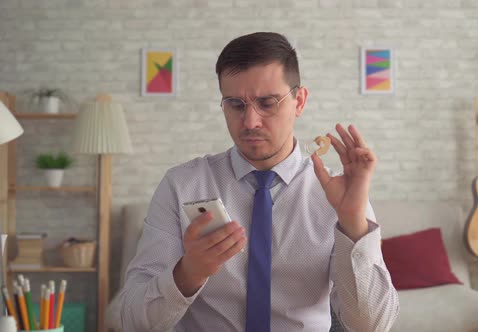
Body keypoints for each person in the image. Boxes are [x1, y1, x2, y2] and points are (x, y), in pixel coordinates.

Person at [120, 32, 399, 331]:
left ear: (299, 101)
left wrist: (353, 222)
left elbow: (373, 325)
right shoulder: (182, 186)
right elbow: (133, 321)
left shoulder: (339, 192)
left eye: (267, 103)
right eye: (236, 105)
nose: (250, 121)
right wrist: (189, 272)